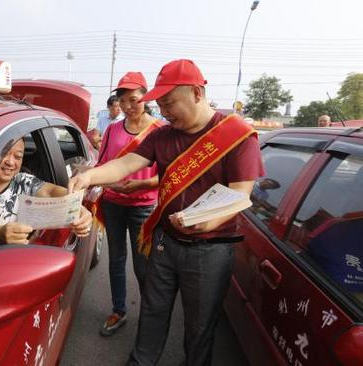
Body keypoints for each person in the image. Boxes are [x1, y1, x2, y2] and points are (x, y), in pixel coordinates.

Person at [69, 59, 264, 366]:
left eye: (170, 103)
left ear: (197, 94)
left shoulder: (237, 135)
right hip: (164, 240)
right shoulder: (162, 135)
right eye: (160, 104)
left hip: (210, 248)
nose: (165, 112)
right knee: (152, 313)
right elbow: (125, 164)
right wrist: (89, 177)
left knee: (199, 327)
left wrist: (206, 222)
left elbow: (241, 194)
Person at [96, 71, 164, 337]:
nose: (127, 107)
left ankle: (150, 317)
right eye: (122, 101)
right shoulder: (112, 129)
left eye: (134, 100)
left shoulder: (160, 131)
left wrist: (142, 184)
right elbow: (102, 165)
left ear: (145, 98)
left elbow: (170, 173)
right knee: (116, 259)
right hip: (113, 204)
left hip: (144, 207)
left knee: (143, 265)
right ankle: (119, 310)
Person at [0, 138, 92, 272]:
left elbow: (50, 192)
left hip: (2, 271)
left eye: (18, 156)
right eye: (4, 153)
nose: (10, 162)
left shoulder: (22, 181)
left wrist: (77, 206)